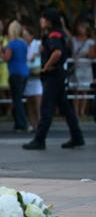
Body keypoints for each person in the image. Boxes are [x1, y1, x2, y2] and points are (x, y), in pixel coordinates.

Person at [23, 9, 85, 150]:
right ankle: (77, 137)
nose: (41, 21)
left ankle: (39, 140)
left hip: (53, 76)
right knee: (66, 108)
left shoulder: (54, 35)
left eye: (43, 18)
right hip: (57, 75)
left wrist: (45, 66)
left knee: (46, 108)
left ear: (49, 21)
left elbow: (57, 53)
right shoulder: (54, 34)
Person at [2, 20, 29, 131]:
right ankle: (19, 123)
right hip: (24, 72)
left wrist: (1, 54)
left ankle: (22, 124)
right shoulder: (23, 43)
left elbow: (7, 58)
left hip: (15, 73)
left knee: (17, 100)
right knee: (19, 99)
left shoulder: (11, 44)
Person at [22, 25, 43, 131]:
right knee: (29, 102)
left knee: (38, 102)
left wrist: (38, 53)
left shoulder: (38, 43)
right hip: (28, 74)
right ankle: (32, 124)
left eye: (26, 35)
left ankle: (40, 123)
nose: (25, 37)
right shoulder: (23, 45)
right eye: (23, 35)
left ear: (32, 35)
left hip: (37, 75)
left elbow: (44, 51)